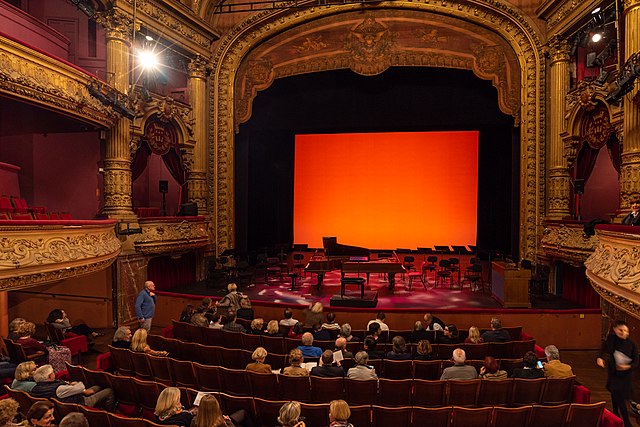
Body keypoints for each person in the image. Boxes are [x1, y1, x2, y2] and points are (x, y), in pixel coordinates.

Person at [597, 320, 638, 427]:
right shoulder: (611, 339)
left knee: (619, 399)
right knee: (615, 396)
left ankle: (625, 421)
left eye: (626, 331)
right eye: (621, 330)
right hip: (613, 374)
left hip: (625, 377)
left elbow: (636, 362)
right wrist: (600, 358)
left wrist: (627, 366)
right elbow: (603, 348)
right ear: (615, 329)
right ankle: (617, 417)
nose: (624, 333)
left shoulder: (632, 344)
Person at [30, 364, 115, 410]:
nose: (54, 373)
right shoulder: (58, 389)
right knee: (109, 390)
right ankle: (109, 411)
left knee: (98, 386)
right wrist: (75, 384)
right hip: (79, 404)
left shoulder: (35, 389)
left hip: (64, 404)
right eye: (53, 372)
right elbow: (80, 387)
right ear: (49, 376)